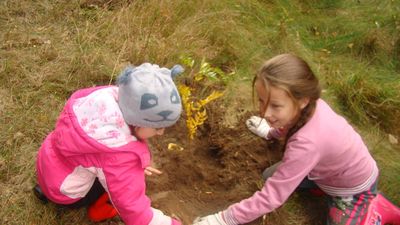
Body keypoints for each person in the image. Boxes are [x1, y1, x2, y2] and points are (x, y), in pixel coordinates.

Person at [193, 53, 380, 225]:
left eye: (275, 106)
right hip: (323, 168)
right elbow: (290, 126)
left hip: (353, 188)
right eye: (261, 100)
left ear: (303, 100)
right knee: (269, 176)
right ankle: (318, 184)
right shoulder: (309, 108)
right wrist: (269, 133)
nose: (265, 112)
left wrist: (223, 219)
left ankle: (369, 209)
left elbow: (273, 196)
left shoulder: (307, 144)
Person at [34, 63, 184, 225]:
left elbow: (98, 156)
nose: (161, 133)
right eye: (158, 127)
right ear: (137, 121)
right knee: (119, 183)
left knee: (107, 169)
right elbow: (132, 207)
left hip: (49, 165)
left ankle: (47, 189)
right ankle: (99, 210)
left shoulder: (101, 100)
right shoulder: (118, 155)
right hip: (66, 193)